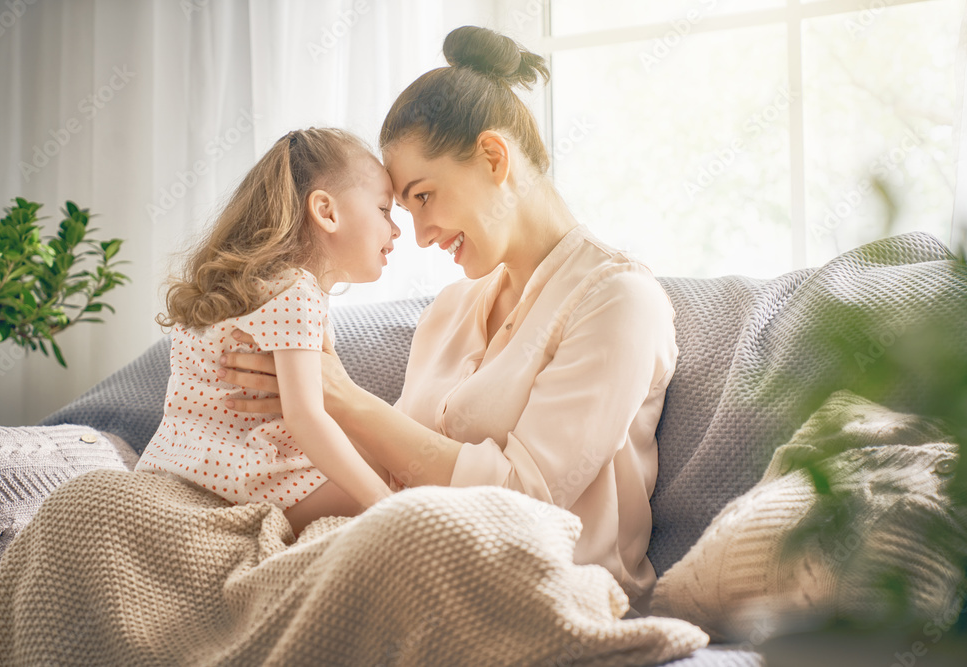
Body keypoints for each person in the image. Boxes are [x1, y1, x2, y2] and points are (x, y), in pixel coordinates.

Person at [218, 26, 679, 610]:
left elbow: (527, 502)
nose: (420, 234)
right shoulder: (450, 310)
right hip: (419, 563)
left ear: (493, 157)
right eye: (402, 210)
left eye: (424, 197)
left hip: (546, 590)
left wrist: (338, 397)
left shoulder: (618, 302)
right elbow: (400, 480)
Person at [134, 127, 401, 538]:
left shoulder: (256, 285)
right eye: (385, 210)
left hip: (173, 468)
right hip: (242, 482)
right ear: (327, 212)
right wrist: (386, 507)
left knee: (376, 455)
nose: (396, 230)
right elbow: (306, 417)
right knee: (390, 470)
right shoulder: (298, 292)